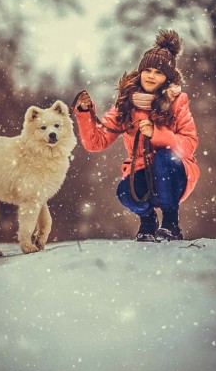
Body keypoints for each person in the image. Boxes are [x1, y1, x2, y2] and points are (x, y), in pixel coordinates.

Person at [74, 30, 200, 242]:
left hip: (175, 172)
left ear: (167, 79)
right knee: (124, 191)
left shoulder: (178, 102)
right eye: (147, 70)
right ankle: (148, 221)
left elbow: (189, 143)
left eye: (158, 73)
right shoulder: (126, 104)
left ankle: (171, 224)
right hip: (142, 171)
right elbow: (95, 142)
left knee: (163, 157)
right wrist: (85, 113)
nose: (151, 76)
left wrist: (157, 134)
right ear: (140, 72)